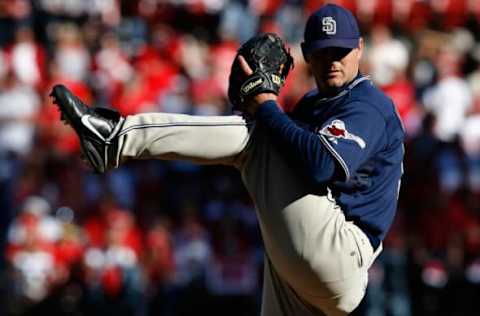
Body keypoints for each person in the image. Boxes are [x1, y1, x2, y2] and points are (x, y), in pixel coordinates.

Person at [51, 4, 404, 316]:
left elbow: (321, 165)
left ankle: (114, 138)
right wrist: (252, 105)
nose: (333, 61)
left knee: (260, 137)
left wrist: (265, 104)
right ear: (307, 54)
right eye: (323, 52)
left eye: (341, 51)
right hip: (310, 264)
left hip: (341, 248)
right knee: (264, 135)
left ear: (360, 49)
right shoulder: (313, 105)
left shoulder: (368, 105)